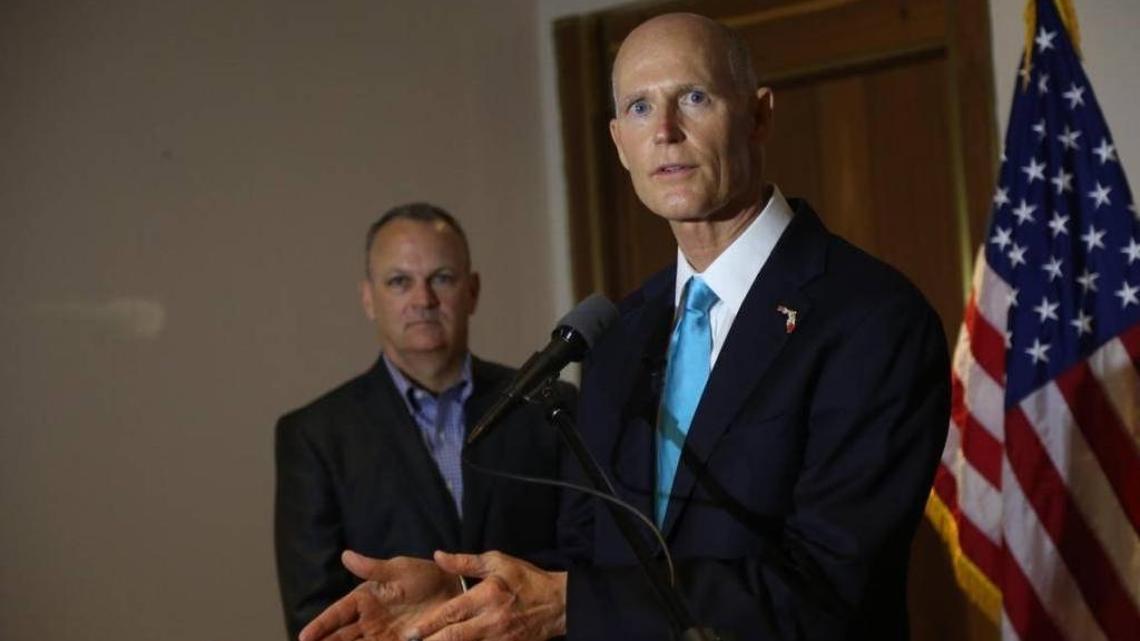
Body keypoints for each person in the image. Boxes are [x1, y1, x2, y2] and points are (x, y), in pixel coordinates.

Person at [299, 13, 950, 641]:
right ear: (618, 143)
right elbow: (592, 557)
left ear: (758, 114)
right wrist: (468, 602)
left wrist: (566, 605)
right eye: (639, 107)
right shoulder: (619, 332)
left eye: (693, 97)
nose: (664, 131)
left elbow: (827, 590)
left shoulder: (871, 317)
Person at [274, 203, 570, 639]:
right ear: (368, 298)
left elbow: (586, 562)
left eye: (442, 279)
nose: (423, 300)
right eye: (399, 282)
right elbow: (318, 618)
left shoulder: (550, 407)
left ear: (472, 291)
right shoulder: (315, 435)